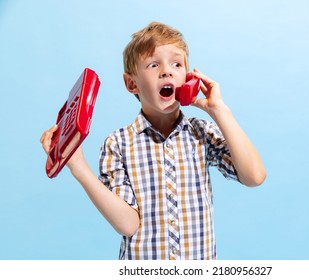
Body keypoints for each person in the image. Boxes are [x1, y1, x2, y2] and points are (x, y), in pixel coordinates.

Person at [40, 22, 266, 260]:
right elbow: (128, 225)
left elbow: (254, 176)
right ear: (131, 83)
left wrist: (219, 110)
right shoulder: (117, 144)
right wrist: (79, 167)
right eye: (153, 64)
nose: (167, 71)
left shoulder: (202, 133)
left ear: (189, 78)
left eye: (177, 64)